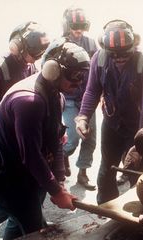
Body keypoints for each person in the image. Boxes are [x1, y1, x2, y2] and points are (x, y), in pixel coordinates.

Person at [0, 38, 90, 240]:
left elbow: (56, 139)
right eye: (74, 76)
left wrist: (59, 181)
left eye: (82, 76)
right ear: (53, 70)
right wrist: (57, 192)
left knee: (18, 219)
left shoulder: (56, 95)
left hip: (24, 171)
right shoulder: (29, 101)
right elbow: (32, 155)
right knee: (36, 231)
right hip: (6, 176)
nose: (79, 83)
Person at [75, 19, 143, 204]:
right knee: (107, 169)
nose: (119, 59)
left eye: (125, 54)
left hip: (138, 126)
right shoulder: (99, 58)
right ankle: (106, 208)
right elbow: (91, 91)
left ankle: (139, 210)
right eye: (114, 55)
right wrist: (82, 117)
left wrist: (140, 144)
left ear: (134, 45)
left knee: (136, 172)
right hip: (111, 123)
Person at [0, 21, 50, 240]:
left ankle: (17, 236)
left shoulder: (29, 66)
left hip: (15, 142)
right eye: (33, 52)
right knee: (13, 199)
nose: (36, 57)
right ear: (18, 46)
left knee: (15, 205)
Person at [61, 6, 98, 190]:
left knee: (90, 138)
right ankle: (60, 161)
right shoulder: (59, 43)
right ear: (67, 25)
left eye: (82, 26)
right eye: (75, 26)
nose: (79, 30)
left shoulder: (91, 44)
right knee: (72, 139)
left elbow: (99, 69)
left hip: (87, 99)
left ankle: (83, 173)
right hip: (67, 99)